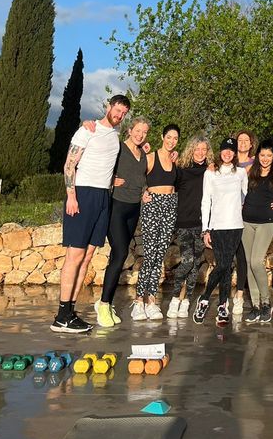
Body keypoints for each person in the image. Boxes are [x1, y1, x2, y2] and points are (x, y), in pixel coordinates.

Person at [51, 94, 131, 333]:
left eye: (123, 114)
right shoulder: (87, 130)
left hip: (103, 197)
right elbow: (69, 165)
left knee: (87, 257)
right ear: (108, 107)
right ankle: (61, 316)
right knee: (74, 256)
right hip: (82, 195)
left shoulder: (116, 137)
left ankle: (70, 312)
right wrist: (71, 196)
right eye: (116, 110)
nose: (118, 116)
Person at [94, 116, 151, 328]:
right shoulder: (118, 148)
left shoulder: (143, 153)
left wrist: (145, 192)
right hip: (116, 206)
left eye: (144, 132)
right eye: (137, 130)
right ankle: (104, 304)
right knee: (119, 253)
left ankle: (104, 302)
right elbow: (99, 164)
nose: (140, 134)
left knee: (118, 255)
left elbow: (142, 178)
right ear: (130, 130)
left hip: (134, 208)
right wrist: (110, 180)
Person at [194, 137, 248, 325]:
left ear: (234, 154)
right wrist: (205, 229)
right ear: (220, 152)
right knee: (223, 265)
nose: (227, 153)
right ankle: (207, 298)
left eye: (231, 150)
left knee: (226, 266)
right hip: (217, 227)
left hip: (235, 226)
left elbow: (247, 197)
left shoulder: (241, 173)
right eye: (225, 149)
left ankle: (221, 305)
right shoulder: (210, 173)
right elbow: (205, 201)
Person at [131, 123, 180, 321]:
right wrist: (142, 192)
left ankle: (151, 300)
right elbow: (135, 176)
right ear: (162, 137)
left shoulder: (175, 159)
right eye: (169, 137)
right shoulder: (150, 157)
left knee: (159, 256)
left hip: (170, 205)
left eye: (175, 138)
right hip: (154, 205)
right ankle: (138, 301)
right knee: (150, 255)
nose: (171, 141)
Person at [167, 134, 215, 319]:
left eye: (204, 149)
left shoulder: (211, 171)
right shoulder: (182, 169)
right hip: (184, 222)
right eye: (197, 149)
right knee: (187, 261)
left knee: (195, 265)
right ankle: (174, 299)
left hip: (202, 224)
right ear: (191, 150)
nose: (201, 153)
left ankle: (185, 300)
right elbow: (167, 185)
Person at [232, 130, 256, 315]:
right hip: (228, 215)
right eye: (239, 140)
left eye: (246, 140)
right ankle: (225, 297)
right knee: (225, 257)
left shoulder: (256, 163)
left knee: (243, 256)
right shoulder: (227, 161)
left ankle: (239, 295)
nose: (242, 143)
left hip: (247, 214)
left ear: (251, 144)